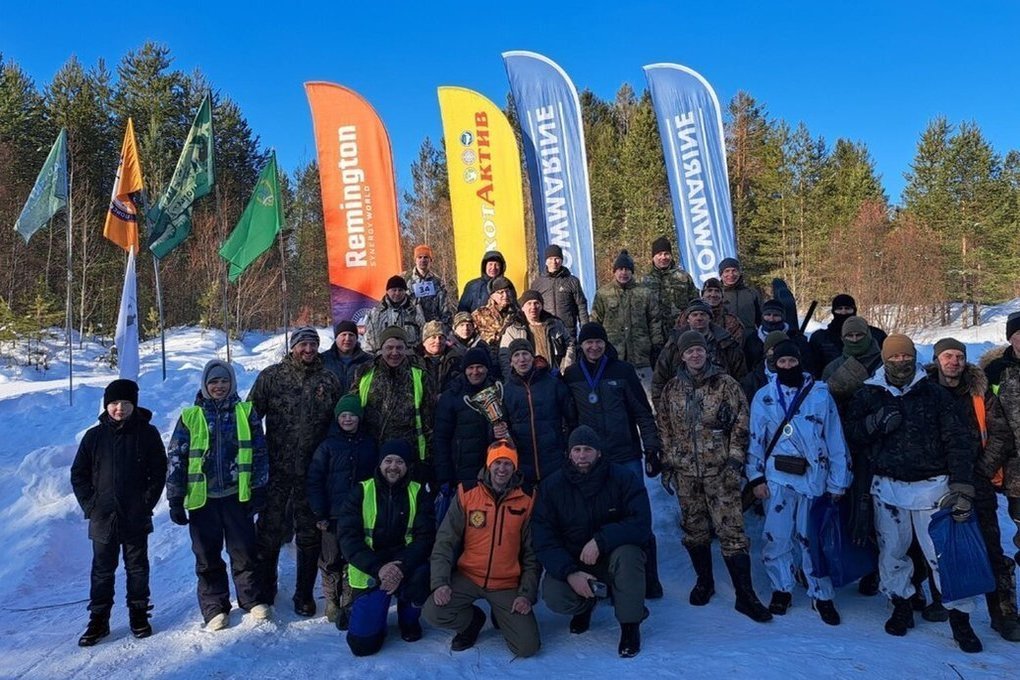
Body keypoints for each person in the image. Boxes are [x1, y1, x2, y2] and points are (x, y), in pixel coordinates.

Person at [846, 334, 982, 652]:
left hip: (932, 487)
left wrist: (962, 486)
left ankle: (960, 619)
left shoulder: (933, 394)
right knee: (892, 553)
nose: (901, 363)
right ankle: (901, 605)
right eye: (894, 358)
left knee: (943, 556)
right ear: (884, 359)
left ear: (914, 358)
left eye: (906, 357)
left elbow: (958, 440)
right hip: (887, 487)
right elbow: (851, 433)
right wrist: (875, 423)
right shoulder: (869, 394)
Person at [656, 331, 772, 623]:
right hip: (686, 473)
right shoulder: (672, 389)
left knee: (731, 532)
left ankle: (745, 596)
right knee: (694, 530)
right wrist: (669, 464)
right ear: (681, 356)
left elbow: (741, 423)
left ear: (706, 353)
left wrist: (734, 460)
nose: (695, 355)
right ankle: (704, 581)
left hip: (720, 472)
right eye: (689, 351)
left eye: (699, 350)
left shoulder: (726, 385)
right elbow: (665, 429)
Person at [747, 340, 850, 626]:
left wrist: (837, 482)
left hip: (813, 478)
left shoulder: (819, 394)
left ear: (800, 362)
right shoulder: (764, 396)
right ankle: (782, 588)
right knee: (776, 536)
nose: (788, 367)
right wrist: (755, 477)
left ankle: (821, 593)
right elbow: (755, 439)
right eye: (783, 363)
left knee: (812, 537)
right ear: (775, 365)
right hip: (777, 478)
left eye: (792, 362)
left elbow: (834, 438)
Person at [561, 322, 663, 598]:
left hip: (625, 454)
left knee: (637, 514)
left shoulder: (623, 371)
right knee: (596, 518)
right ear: (581, 346)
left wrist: (651, 448)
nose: (593, 347)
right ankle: (605, 577)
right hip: (590, 462)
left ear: (606, 344)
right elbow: (568, 420)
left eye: (598, 342)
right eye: (588, 343)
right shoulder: (571, 375)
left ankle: (649, 578)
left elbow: (642, 412)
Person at [532, 425, 652, 658]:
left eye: (588, 449)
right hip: (575, 562)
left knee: (629, 555)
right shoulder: (552, 486)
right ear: (569, 453)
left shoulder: (622, 478)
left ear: (599, 453)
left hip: (613, 559)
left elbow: (641, 524)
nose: (582, 455)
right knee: (554, 595)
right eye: (576, 449)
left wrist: (601, 540)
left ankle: (630, 625)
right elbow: (544, 538)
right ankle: (585, 605)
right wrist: (569, 573)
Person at [166, 360, 270, 630]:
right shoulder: (190, 416)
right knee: (207, 554)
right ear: (205, 385)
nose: (219, 386)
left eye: (224, 381)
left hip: (238, 495)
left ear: (232, 383)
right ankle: (214, 606)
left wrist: (259, 488)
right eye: (214, 382)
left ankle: (251, 599)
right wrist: (175, 498)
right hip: (204, 499)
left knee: (244, 551)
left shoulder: (246, 412)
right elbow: (177, 457)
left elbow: (259, 452)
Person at [930, 338, 1020, 642]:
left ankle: (1003, 613)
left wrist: (980, 471)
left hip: (976, 479)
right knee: (938, 546)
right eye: (947, 356)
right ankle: (939, 601)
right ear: (936, 359)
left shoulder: (980, 392)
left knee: (991, 546)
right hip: (936, 480)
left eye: (959, 356)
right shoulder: (925, 391)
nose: (953, 362)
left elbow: (1000, 433)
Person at [249, 326, 342, 616]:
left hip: (312, 473)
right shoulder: (272, 376)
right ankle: (265, 587)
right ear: (292, 347)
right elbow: (250, 420)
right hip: (276, 469)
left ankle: (304, 594)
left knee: (309, 535)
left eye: (313, 344)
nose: (308, 349)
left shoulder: (328, 379)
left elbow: (340, 422)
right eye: (303, 344)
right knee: (268, 530)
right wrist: (255, 458)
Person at [71, 379, 167, 646]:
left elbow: (158, 471)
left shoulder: (147, 433)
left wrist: (146, 503)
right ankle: (98, 620)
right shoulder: (94, 437)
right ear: (106, 405)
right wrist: (90, 505)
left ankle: (138, 614)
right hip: (103, 518)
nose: (119, 408)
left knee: (137, 568)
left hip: (135, 515)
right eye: (114, 403)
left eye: (125, 403)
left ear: (134, 404)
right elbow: (78, 473)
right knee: (102, 570)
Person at [424, 441, 540, 657]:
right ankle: (472, 621)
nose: (502, 469)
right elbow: (445, 541)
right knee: (433, 612)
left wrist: (526, 594)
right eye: (497, 462)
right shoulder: (467, 493)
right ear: (488, 465)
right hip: (469, 576)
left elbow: (532, 553)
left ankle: (502, 613)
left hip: (506, 583)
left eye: (507, 463)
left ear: (514, 467)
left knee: (527, 647)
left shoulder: (527, 499)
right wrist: (440, 583)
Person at [339, 440, 435, 656]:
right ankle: (369, 613)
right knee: (363, 646)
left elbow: (425, 537)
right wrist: (379, 569)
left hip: (406, 565)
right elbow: (348, 538)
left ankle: (409, 619)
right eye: (388, 461)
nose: (394, 466)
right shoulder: (361, 491)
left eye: (400, 462)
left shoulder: (418, 492)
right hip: (371, 568)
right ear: (380, 464)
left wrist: (400, 568)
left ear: (407, 466)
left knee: (423, 575)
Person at [306, 394, 378, 629]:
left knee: (352, 557)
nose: (347, 419)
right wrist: (320, 513)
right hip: (333, 515)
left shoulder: (369, 444)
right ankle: (331, 600)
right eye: (343, 416)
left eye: (352, 415)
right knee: (330, 558)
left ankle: (348, 598)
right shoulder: (326, 446)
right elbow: (315, 480)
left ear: (359, 417)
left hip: (359, 513)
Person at [353, 326, 435, 480]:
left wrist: (428, 458)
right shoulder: (364, 372)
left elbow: (428, 419)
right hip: (370, 449)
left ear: (406, 349)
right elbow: (352, 409)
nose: (394, 353)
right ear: (381, 348)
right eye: (389, 348)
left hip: (407, 453)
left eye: (399, 348)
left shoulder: (419, 375)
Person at [502, 338, 576, 486]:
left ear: (532, 357)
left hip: (554, 462)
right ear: (511, 361)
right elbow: (503, 425)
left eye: (525, 354)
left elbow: (572, 418)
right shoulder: (506, 390)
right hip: (523, 465)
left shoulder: (553, 383)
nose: (522, 359)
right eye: (516, 355)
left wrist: (567, 445)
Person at [653, 299, 747, 408]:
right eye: (694, 314)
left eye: (703, 314)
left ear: (709, 318)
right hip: (682, 407)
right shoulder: (674, 343)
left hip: (720, 406)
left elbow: (741, 377)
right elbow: (659, 379)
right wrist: (662, 409)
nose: (699, 318)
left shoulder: (726, 342)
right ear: (688, 319)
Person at [433, 347, 502, 490]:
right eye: (471, 368)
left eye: (479, 367)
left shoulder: (498, 392)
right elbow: (441, 438)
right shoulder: (451, 396)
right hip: (462, 469)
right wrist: (444, 474)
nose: (475, 372)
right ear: (464, 370)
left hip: (494, 468)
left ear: (487, 369)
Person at [983, 311, 1020, 579]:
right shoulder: (995, 371)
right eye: (1019, 335)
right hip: (1015, 469)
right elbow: (987, 419)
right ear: (1010, 338)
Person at [591, 249, 663, 381]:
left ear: (632, 272)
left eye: (627, 269)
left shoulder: (644, 293)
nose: (623, 273)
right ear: (614, 271)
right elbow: (595, 322)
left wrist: (657, 345)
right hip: (613, 355)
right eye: (620, 269)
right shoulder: (603, 294)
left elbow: (654, 320)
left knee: (646, 397)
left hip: (641, 356)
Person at [498, 289, 575, 377]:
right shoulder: (513, 330)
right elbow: (504, 355)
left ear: (542, 306)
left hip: (553, 375)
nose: (533, 307)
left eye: (536, 303)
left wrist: (566, 369)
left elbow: (569, 344)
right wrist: (511, 377)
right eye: (529, 303)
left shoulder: (555, 325)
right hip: (525, 378)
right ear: (522, 307)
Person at [642, 236, 697, 355]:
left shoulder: (683, 277)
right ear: (653, 257)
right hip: (654, 339)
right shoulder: (644, 281)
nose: (663, 257)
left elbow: (695, 304)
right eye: (659, 254)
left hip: (681, 335)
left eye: (666, 254)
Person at [809, 294, 888, 369]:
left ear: (854, 310)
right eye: (839, 309)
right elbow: (813, 368)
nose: (843, 312)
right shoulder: (820, 337)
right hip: (829, 380)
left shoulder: (876, 334)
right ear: (833, 311)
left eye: (847, 308)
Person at [744, 299, 818, 378]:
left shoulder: (796, 339)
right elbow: (747, 368)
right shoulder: (752, 340)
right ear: (762, 316)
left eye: (776, 315)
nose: (771, 319)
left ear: (783, 317)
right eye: (768, 315)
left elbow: (808, 367)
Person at [530, 243, 589, 337]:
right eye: (550, 259)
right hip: (546, 330)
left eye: (557, 258)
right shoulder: (537, 283)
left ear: (562, 260)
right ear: (546, 261)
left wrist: (586, 329)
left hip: (568, 331)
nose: (554, 262)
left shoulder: (572, 281)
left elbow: (581, 306)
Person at [362, 275, 426, 353]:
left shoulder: (415, 310)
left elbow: (424, 334)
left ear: (405, 291)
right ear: (387, 291)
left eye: (400, 290)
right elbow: (368, 340)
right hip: (383, 358)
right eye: (394, 290)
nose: (397, 293)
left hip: (409, 357)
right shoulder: (376, 313)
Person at [404, 244, 453, 327]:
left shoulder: (438, 282)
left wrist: (445, 327)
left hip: (434, 328)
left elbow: (445, 308)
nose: (423, 260)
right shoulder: (406, 280)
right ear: (415, 260)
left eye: (426, 257)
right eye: (420, 257)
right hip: (413, 327)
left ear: (430, 260)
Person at [320, 320, 373, 394]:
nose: (347, 338)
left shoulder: (368, 361)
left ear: (356, 338)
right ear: (336, 337)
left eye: (351, 335)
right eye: (344, 334)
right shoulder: (322, 359)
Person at [718, 257, 763, 331]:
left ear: (739, 272)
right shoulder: (716, 295)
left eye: (734, 270)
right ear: (721, 274)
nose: (731, 274)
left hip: (749, 337)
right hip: (725, 337)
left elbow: (761, 319)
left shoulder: (752, 293)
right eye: (727, 271)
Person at [417, 320, 458, 398]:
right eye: (433, 337)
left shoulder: (455, 359)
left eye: (441, 338)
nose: (438, 341)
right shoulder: (413, 360)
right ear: (424, 341)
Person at [701, 277, 745, 344]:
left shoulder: (731, 321)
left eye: (717, 291)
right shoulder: (689, 316)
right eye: (709, 290)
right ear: (702, 295)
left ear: (722, 296)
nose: (713, 295)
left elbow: (736, 348)